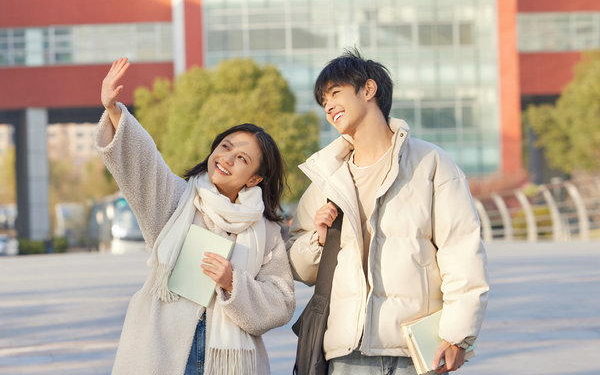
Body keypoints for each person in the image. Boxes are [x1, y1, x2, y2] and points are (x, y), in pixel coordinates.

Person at [286, 49, 489, 375]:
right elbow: (297, 266)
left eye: (335, 93)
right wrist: (319, 241)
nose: (328, 106)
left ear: (368, 90)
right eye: (323, 101)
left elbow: (462, 250)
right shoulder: (327, 178)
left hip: (413, 351)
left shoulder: (430, 163)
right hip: (346, 353)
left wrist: (458, 336)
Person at [96, 58, 295, 375]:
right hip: (164, 352)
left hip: (229, 363)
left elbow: (282, 302)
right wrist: (115, 111)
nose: (226, 158)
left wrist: (233, 283)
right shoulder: (177, 199)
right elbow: (145, 164)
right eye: (225, 146)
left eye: (241, 158)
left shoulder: (267, 231)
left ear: (255, 179)